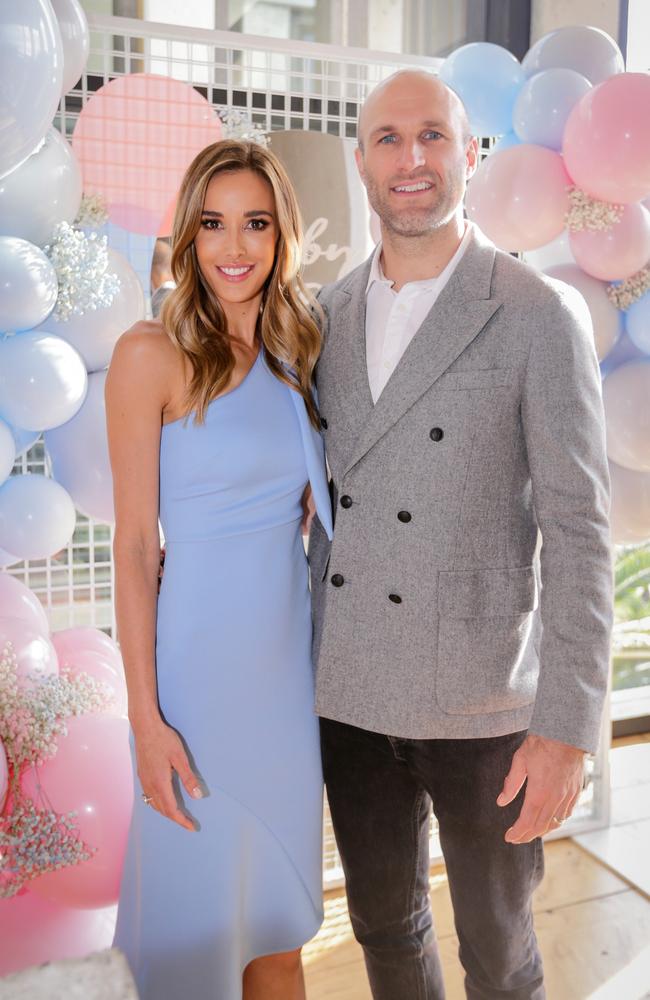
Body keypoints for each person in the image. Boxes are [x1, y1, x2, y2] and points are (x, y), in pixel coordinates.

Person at [308, 70, 612, 999]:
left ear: (468, 154)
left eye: (433, 136)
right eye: (389, 139)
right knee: (384, 932)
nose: (412, 160)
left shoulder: (534, 312)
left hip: (488, 708)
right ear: (361, 162)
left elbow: (579, 527)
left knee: (502, 955)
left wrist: (567, 729)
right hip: (351, 692)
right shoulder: (323, 317)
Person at [106, 139, 333, 1000]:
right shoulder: (147, 353)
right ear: (186, 236)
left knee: (279, 934)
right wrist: (145, 721)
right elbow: (135, 546)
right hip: (193, 692)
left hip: (283, 692)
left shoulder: (300, 352)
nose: (233, 247)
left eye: (255, 224)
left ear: (281, 238)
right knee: (191, 942)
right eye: (212, 225)